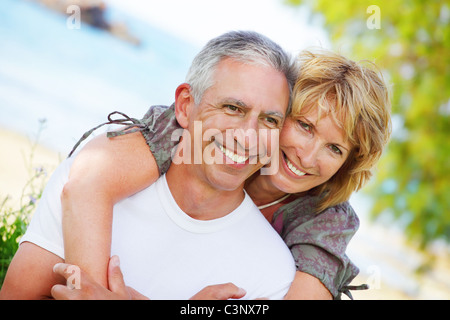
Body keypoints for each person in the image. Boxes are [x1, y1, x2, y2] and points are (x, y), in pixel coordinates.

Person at [55, 48, 391, 300]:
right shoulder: (204, 133)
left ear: (347, 164)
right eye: (304, 126)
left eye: (335, 149)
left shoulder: (326, 221)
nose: (308, 155)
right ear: (278, 112)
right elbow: (89, 182)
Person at [0, 30, 298, 300]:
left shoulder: (271, 272)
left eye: (269, 120)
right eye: (232, 108)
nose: (247, 138)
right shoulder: (98, 174)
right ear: (185, 106)